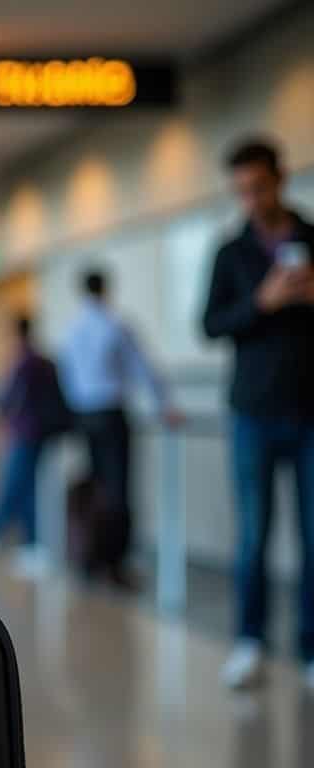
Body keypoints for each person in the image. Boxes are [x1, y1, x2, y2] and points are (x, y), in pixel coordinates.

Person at [202, 138, 314, 689]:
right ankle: (250, 641)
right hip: (253, 412)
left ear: (280, 178)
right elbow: (211, 324)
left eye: (258, 187)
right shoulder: (231, 252)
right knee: (254, 535)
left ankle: (311, 649)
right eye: (240, 191)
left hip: (311, 409)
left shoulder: (312, 239)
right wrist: (262, 303)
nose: (249, 199)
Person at [60, 270, 178, 589]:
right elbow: (143, 369)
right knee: (118, 489)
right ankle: (115, 563)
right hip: (111, 414)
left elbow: (66, 376)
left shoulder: (71, 330)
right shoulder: (116, 325)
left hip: (84, 416)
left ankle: (91, 558)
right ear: (107, 289)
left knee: (95, 488)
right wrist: (164, 405)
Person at [0, 315, 70, 577]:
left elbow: (10, 398)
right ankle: (29, 543)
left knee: (17, 484)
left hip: (25, 432)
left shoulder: (24, 361)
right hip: (40, 432)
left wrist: (0, 420)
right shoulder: (43, 359)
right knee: (27, 487)